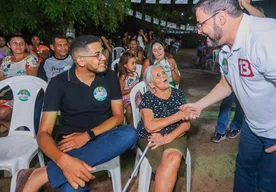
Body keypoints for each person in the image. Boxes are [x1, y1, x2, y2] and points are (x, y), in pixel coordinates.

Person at [182, 0, 276, 191]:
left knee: (269, 186)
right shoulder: (226, 46)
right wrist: (199, 105)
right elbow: (227, 83)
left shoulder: (266, 38)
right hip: (255, 126)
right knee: (244, 172)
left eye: (201, 23)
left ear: (221, 18)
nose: (199, 30)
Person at [11, 35, 138, 192]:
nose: (104, 57)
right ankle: (61, 168)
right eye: (97, 54)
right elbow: (43, 134)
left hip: (104, 139)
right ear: (80, 61)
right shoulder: (58, 83)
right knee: (71, 188)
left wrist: (87, 135)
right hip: (70, 145)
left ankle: (41, 175)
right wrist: (64, 161)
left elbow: (118, 117)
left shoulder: (110, 77)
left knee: (130, 133)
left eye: (103, 51)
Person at [211, 0, 265, 143]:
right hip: (232, 78)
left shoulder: (262, 38)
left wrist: (246, 5)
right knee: (226, 103)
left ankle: (236, 126)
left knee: (242, 104)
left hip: (250, 82)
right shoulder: (232, 41)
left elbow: (263, 22)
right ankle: (220, 130)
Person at [137, 64, 191, 192]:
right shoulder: (147, 98)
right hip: (150, 137)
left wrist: (168, 138)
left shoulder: (178, 94)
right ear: (151, 84)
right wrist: (177, 116)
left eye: (163, 72)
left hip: (175, 134)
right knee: (168, 163)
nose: (163, 76)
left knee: (173, 158)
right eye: (158, 75)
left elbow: (187, 124)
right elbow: (150, 126)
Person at [0, 35, 38, 136]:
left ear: (25, 45)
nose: (18, 46)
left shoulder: (30, 59)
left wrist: (10, 82)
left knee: (2, 112)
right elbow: (0, 78)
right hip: (5, 92)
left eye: (21, 43)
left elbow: (31, 81)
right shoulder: (6, 60)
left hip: (22, 94)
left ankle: (10, 127)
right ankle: (11, 127)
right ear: (9, 45)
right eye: (14, 43)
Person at [118, 52, 140, 125]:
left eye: (135, 63)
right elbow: (121, 92)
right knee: (129, 108)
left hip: (137, 97)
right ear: (125, 65)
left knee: (145, 103)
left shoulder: (136, 74)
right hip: (127, 99)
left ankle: (141, 122)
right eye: (132, 63)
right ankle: (130, 124)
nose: (135, 65)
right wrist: (131, 89)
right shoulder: (123, 77)